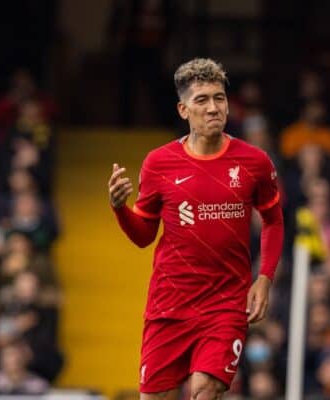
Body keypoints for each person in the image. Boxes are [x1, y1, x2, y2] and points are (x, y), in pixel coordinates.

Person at [108, 58, 284, 400]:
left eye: (219, 98)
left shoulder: (254, 162)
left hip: (225, 303)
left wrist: (264, 278)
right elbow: (144, 235)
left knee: (206, 390)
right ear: (183, 109)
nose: (213, 107)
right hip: (169, 304)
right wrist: (119, 209)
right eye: (201, 100)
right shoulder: (159, 163)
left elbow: (274, 220)